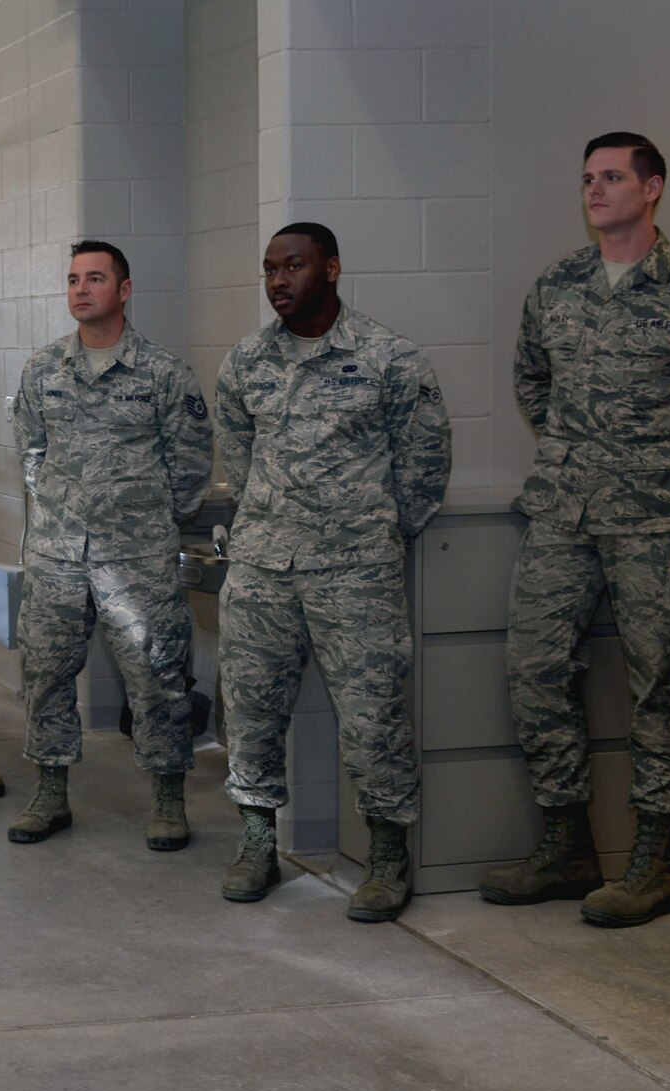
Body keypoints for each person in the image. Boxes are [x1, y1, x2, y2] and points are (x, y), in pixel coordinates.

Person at [482, 132, 670, 927]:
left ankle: (654, 863)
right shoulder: (558, 284)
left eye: (612, 177)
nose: (595, 189)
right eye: (587, 178)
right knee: (535, 668)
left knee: (661, 686)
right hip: (563, 514)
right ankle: (566, 844)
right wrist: (581, 454)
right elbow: (531, 380)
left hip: (657, 523)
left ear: (652, 187)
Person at [212, 223, 450, 918]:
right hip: (262, 570)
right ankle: (257, 842)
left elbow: (425, 468)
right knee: (252, 712)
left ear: (333, 268)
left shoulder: (389, 359)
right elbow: (240, 457)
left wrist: (369, 529)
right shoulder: (246, 362)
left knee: (374, 721)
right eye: (269, 269)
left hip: (357, 575)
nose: (279, 280)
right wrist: (274, 522)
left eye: (294, 266)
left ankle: (386, 857)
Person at [9, 240, 211, 848]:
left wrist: (141, 521)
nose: (80, 289)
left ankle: (169, 800)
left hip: (138, 560)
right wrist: (63, 512)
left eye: (95, 278)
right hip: (57, 555)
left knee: (157, 678)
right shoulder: (43, 368)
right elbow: (31, 452)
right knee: (44, 673)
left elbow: (192, 465)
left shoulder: (163, 372)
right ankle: (50, 792)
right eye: (73, 279)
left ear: (124, 290)